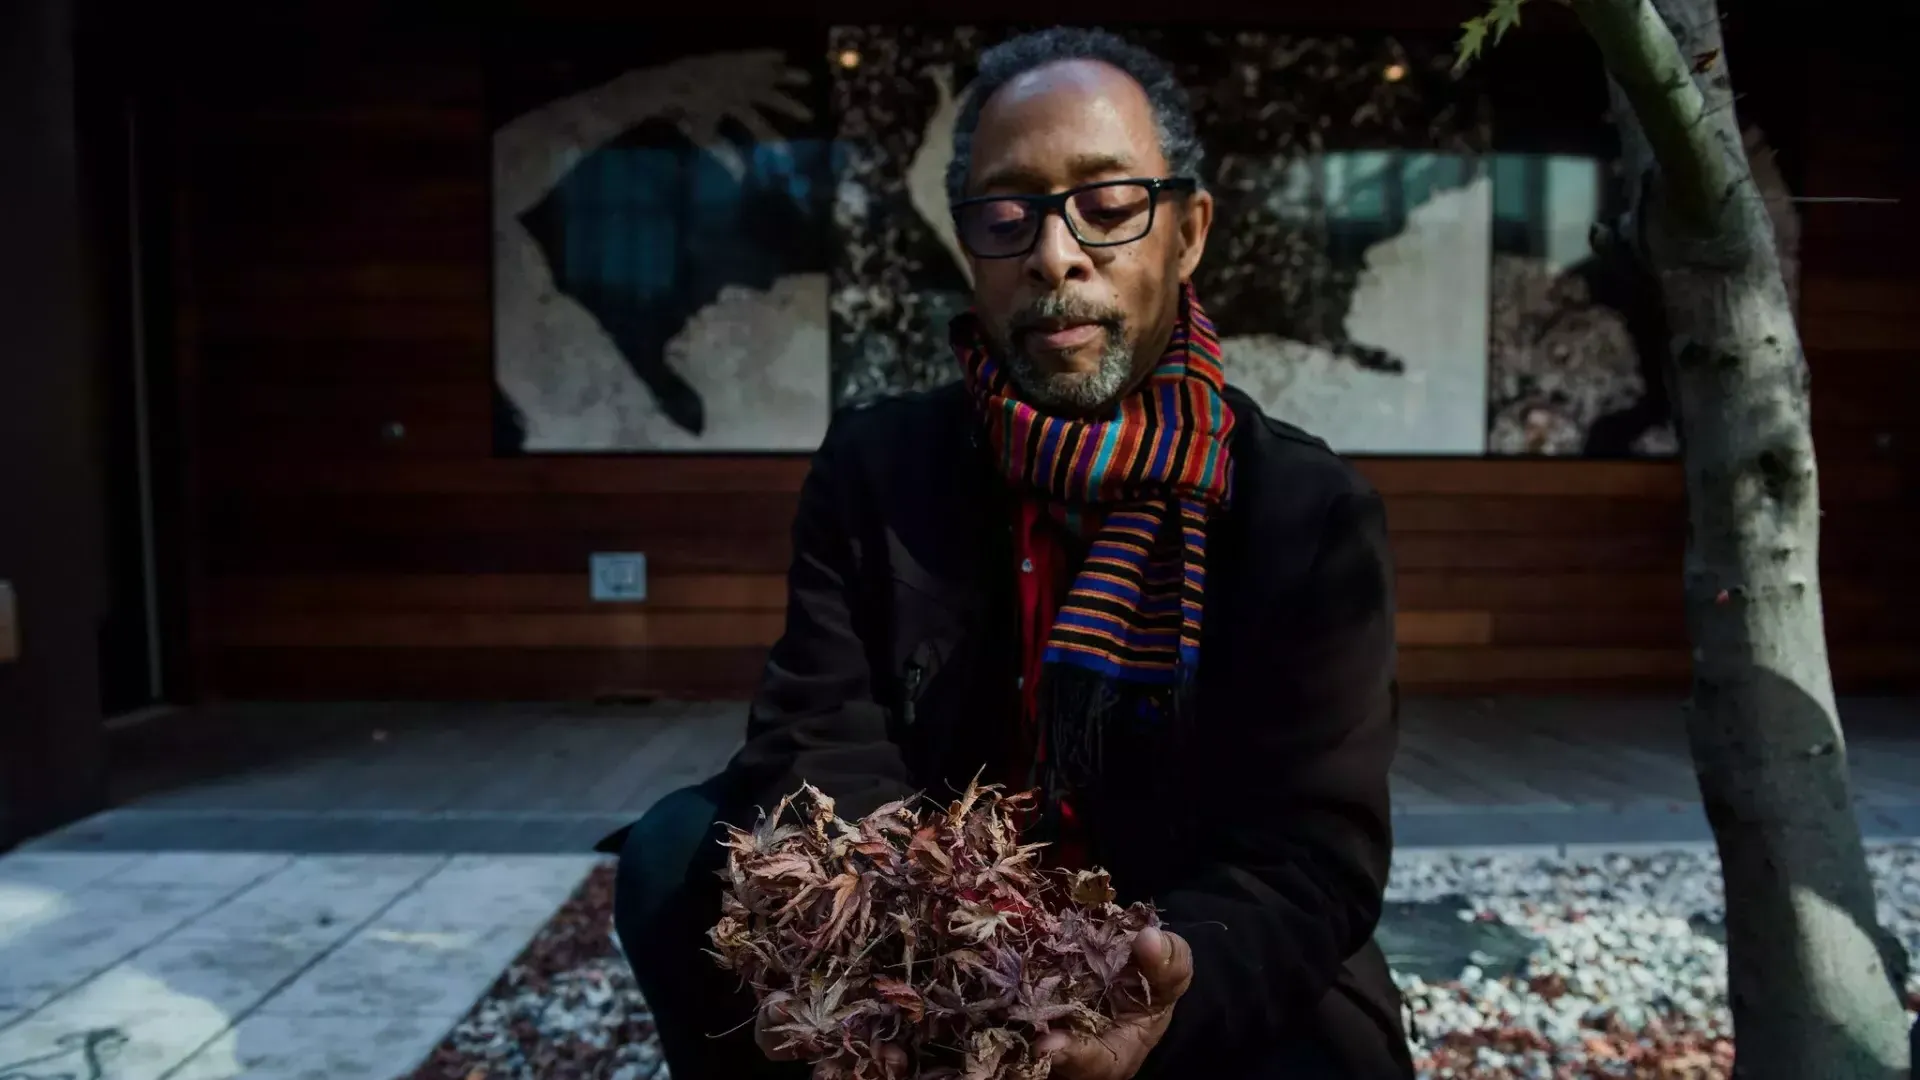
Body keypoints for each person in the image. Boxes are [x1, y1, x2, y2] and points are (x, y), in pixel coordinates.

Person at [600, 27, 1412, 1080]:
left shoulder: (1306, 513)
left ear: (1189, 231)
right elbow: (816, 738)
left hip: (1173, 946)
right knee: (672, 859)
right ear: (970, 243)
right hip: (926, 923)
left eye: (1109, 203)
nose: (1055, 252)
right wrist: (915, 938)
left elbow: (1310, 859)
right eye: (1006, 212)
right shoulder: (878, 468)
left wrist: (1153, 990)